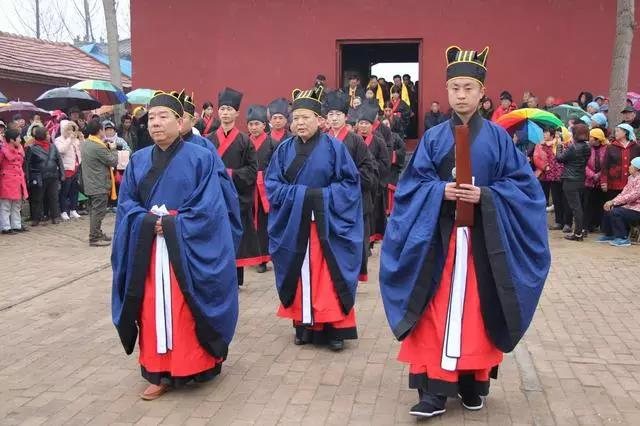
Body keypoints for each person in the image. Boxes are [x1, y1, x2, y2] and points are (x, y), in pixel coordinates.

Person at [379, 45, 549, 418]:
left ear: (482, 93)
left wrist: (486, 194)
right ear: (447, 89)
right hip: (439, 242)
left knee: (476, 311)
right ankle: (433, 391)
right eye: (455, 87)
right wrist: (439, 190)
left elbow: (525, 190)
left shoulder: (499, 139)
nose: (461, 95)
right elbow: (410, 185)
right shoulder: (433, 138)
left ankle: (473, 382)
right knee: (435, 309)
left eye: (468, 88)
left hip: (482, 244)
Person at [111, 90, 241, 400]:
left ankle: (196, 364)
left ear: (180, 121)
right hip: (149, 250)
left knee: (185, 308)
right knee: (152, 308)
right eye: (152, 117)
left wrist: (171, 223)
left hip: (186, 250)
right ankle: (159, 371)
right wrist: (146, 221)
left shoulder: (201, 156)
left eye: (163, 117)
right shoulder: (139, 160)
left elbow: (210, 205)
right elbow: (126, 203)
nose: (155, 123)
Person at [266, 87, 363, 352]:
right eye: (295, 118)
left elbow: (349, 184)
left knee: (328, 276)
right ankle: (303, 325)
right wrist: (301, 196)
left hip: (328, 226)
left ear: (319, 120)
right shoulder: (284, 150)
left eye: (305, 117)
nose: (299, 123)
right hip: (296, 225)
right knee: (299, 273)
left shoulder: (335, 148)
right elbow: (272, 184)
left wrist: (319, 198)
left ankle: (334, 328)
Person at [207, 87, 259, 287]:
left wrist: (230, 174)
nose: (225, 113)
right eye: (223, 109)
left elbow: (252, 170)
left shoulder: (245, 141)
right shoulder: (209, 139)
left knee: (235, 235)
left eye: (230, 109)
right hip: (214, 197)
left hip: (236, 197)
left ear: (237, 113)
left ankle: (235, 279)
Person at [325, 90, 377, 282]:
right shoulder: (322, 139)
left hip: (354, 200)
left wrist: (348, 179)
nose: (334, 118)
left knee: (354, 240)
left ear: (346, 117)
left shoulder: (355, 141)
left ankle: (353, 274)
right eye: (330, 114)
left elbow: (369, 171)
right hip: (329, 199)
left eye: (338, 114)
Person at [246, 104, 276, 273]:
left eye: (257, 124)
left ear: (264, 125)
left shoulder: (273, 143)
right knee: (250, 223)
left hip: (265, 188)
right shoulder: (244, 142)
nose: (254, 127)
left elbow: (276, 166)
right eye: (251, 124)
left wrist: (263, 177)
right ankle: (253, 256)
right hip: (248, 188)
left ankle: (264, 258)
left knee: (265, 224)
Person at [356, 102, 389, 245]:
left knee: (373, 213)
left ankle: (370, 239)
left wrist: (373, 172)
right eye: (361, 123)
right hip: (356, 182)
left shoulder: (378, 141)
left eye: (366, 124)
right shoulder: (353, 140)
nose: (363, 126)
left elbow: (385, 162)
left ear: (372, 125)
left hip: (374, 184)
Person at [81, 119, 118, 246]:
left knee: (94, 211)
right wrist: (113, 149)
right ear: (99, 131)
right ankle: (94, 237)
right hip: (98, 184)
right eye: (103, 129)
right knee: (98, 212)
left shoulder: (87, 143)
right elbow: (113, 161)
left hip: (91, 183)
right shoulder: (97, 146)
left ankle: (97, 232)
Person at [557, 123, 591, 241]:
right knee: (579, 207)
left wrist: (559, 146)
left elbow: (560, 158)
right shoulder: (587, 147)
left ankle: (577, 234)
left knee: (575, 208)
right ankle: (581, 230)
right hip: (581, 179)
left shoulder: (574, 147)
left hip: (570, 180)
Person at [25, 126, 64, 227]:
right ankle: (36, 218)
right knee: (38, 198)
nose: (49, 135)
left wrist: (62, 174)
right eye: (47, 134)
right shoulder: (32, 148)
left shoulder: (53, 146)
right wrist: (28, 178)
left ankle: (55, 216)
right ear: (41, 136)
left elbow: (59, 161)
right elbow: (27, 164)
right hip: (39, 177)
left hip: (53, 176)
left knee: (53, 197)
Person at [597, 156, 640, 247]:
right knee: (608, 208)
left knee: (617, 212)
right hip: (630, 206)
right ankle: (610, 234)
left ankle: (622, 238)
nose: (629, 167)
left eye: (631, 165)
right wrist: (612, 201)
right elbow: (624, 193)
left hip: (637, 209)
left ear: (637, 168)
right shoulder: (631, 178)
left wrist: (614, 202)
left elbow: (633, 196)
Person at [533, 128, 565, 230]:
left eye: (546, 133)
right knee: (542, 198)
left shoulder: (558, 145)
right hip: (543, 174)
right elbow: (536, 158)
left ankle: (560, 221)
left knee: (558, 198)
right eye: (544, 133)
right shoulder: (540, 145)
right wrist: (544, 166)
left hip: (556, 175)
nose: (544, 135)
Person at [601, 123, 640, 205]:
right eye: (615, 131)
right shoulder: (611, 147)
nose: (615, 133)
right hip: (614, 183)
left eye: (618, 131)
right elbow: (605, 165)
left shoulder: (636, 147)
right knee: (613, 206)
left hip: (632, 184)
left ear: (625, 133)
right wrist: (604, 181)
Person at [0, 128, 29, 234]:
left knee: (17, 204)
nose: (20, 139)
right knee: (6, 205)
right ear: (12, 140)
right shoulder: (3, 150)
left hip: (18, 179)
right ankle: (5, 227)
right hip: (7, 180)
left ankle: (16, 225)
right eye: (18, 137)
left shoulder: (19, 149)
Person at [54, 120, 82, 221]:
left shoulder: (74, 139)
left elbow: (81, 151)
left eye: (72, 129)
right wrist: (69, 139)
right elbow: (61, 150)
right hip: (66, 169)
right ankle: (64, 211)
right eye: (68, 129)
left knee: (74, 191)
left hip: (75, 168)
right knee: (64, 191)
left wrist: (81, 140)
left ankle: (73, 209)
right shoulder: (58, 140)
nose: (70, 131)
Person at [584, 128, 608, 233]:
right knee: (588, 203)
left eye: (591, 137)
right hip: (589, 180)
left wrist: (600, 174)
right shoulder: (587, 148)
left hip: (602, 180)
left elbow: (607, 164)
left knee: (600, 203)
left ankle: (599, 224)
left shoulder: (607, 148)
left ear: (597, 139)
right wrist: (592, 175)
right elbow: (583, 163)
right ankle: (588, 225)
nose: (589, 139)